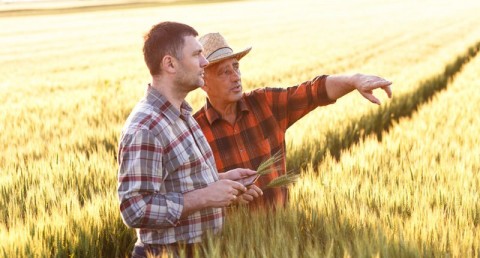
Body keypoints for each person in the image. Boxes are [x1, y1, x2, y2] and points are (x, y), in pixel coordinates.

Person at [194, 33, 393, 208]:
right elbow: (191, 192)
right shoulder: (194, 131)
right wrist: (229, 199)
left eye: (236, 68)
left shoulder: (265, 103)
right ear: (203, 82)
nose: (236, 77)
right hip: (231, 243)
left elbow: (314, 91)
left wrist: (354, 80)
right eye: (224, 72)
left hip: (283, 228)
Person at [117, 22, 262, 258]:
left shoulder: (182, 113)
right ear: (170, 64)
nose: (205, 62)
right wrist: (206, 196)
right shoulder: (146, 128)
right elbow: (134, 209)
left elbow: (177, 181)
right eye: (197, 54)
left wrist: (222, 181)